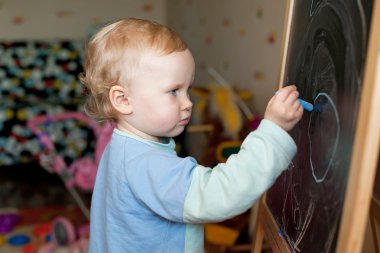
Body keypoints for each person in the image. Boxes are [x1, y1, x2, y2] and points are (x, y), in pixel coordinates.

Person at [80, 17, 303, 253]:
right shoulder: (148, 164)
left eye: (188, 89)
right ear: (123, 100)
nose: (187, 103)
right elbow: (219, 194)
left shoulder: (121, 147)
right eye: (173, 91)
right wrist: (272, 131)